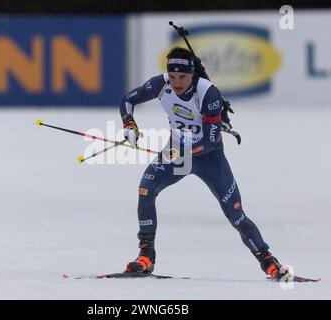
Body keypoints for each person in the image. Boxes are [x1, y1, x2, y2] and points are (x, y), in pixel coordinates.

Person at [118, 47, 285, 280]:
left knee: (236, 216)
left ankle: (268, 261)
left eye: (183, 77)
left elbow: (208, 141)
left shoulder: (208, 93)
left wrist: (180, 152)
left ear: (193, 74)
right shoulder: (160, 84)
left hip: (210, 158)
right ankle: (146, 256)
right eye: (172, 76)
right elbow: (127, 100)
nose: (176, 83)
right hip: (177, 153)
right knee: (146, 190)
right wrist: (130, 125)